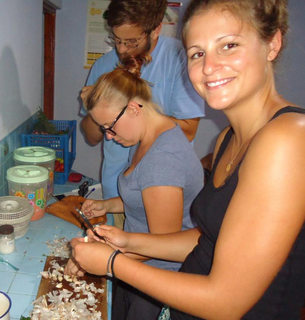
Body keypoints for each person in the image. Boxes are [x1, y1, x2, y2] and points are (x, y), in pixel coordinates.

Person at [70, 0, 305, 319]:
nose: (209, 67)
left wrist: (113, 263)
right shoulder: (227, 139)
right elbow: (209, 237)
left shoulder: (288, 138)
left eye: (229, 45)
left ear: (272, 43)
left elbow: (227, 302)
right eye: (198, 53)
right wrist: (128, 240)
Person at [67, 56, 203, 319]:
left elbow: (162, 246)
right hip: (133, 263)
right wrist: (108, 204)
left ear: (133, 108)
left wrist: (104, 259)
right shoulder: (148, 137)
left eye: (109, 127)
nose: (108, 136)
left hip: (156, 281)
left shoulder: (163, 161)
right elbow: (143, 195)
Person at [80, 0, 205, 229]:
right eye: (116, 40)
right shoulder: (102, 65)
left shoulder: (180, 59)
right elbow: (92, 136)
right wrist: (97, 107)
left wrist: (135, 115)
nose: (122, 50)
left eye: (131, 41)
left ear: (156, 29)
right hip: (120, 194)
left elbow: (187, 130)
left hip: (161, 188)